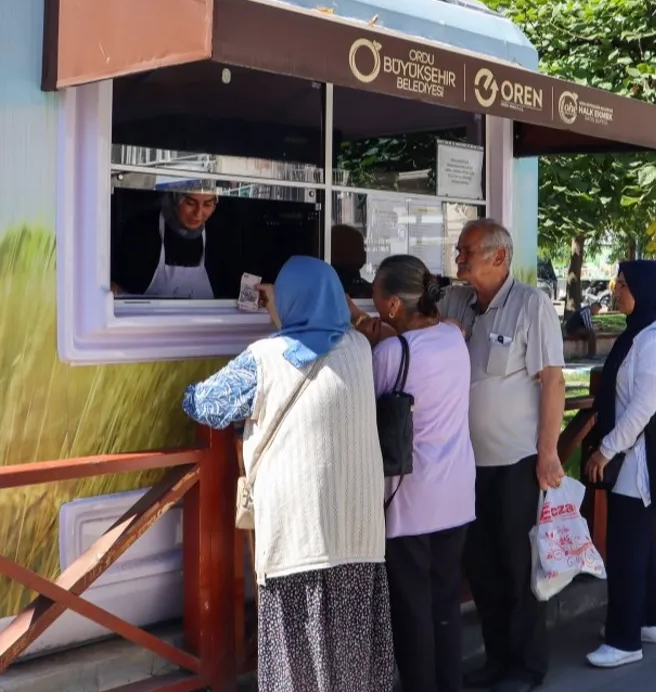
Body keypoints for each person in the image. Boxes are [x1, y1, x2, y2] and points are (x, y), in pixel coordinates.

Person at [181, 255, 392, 692]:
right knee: (354, 667)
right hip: (359, 537)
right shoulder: (358, 349)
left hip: (299, 541)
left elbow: (204, 404)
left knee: (298, 668)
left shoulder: (265, 358)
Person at [440, 219, 565, 692]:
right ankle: (497, 660)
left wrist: (548, 452)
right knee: (482, 567)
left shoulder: (532, 304)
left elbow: (553, 381)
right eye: (458, 250)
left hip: (515, 463)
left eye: (467, 251)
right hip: (465, 463)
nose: (459, 259)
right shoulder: (456, 301)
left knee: (517, 568)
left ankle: (526, 666)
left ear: (499, 256)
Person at [351, 255, 475, 692]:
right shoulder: (454, 338)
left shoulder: (389, 353)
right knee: (444, 603)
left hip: (410, 498)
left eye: (375, 297)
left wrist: (364, 332)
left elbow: (364, 404)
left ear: (390, 306)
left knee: (411, 610)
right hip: (456, 492)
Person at [581, 260, 656, 669]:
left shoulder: (653, 339)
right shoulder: (641, 333)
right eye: (617, 282)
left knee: (625, 553)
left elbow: (641, 409)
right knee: (639, 548)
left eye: (624, 284)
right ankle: (645, 621)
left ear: (645, 291)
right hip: (634, 460)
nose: (616, 289)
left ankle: (624, 641)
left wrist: (605, 450)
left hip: (636, 463)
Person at [111, 186, 235, 298]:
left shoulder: (220, 239)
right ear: (175, 199)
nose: (198, 214)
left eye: (207, 204)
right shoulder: (141, 231)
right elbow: (120, 286)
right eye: (190, 203)